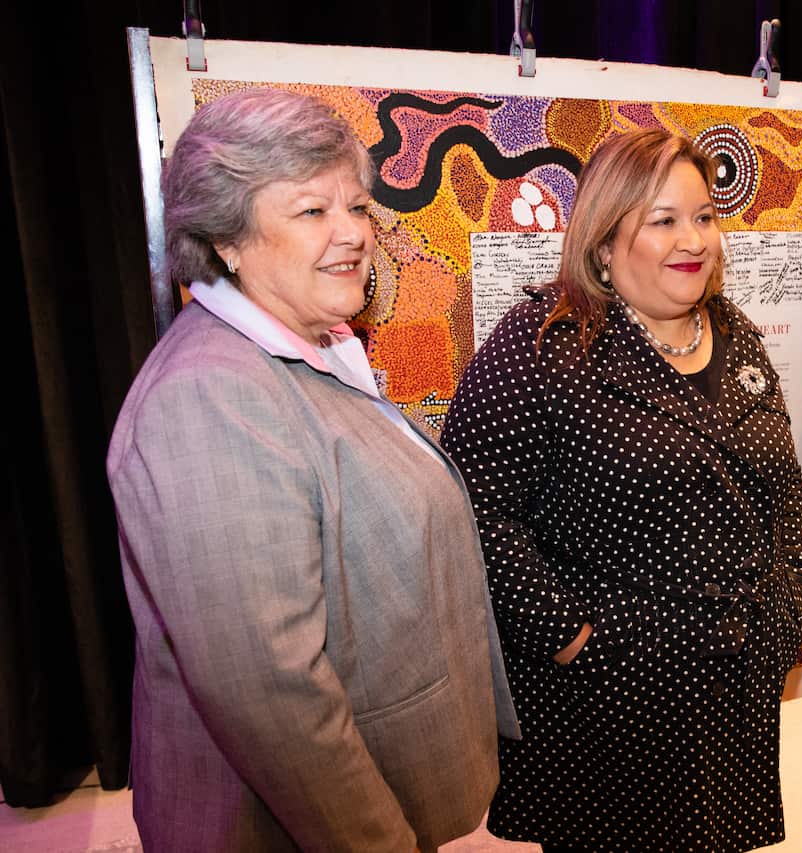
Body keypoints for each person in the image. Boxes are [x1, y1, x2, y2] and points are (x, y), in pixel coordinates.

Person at [107, 88, 518, 853]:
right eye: (311, 212)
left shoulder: (317, 344)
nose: (353, 234)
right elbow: (273, 697)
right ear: (227, 239)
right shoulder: (209, 397)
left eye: (357, 208)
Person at [440, 127, 802, 852]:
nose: (695, 239)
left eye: (704, 216)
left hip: (731, 684)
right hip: (609, 696)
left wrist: (792, 593)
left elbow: (779, 478)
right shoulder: (543, 344)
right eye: (664, 220)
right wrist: (570, 640)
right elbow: (474, 509)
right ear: (606, 241)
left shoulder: (733, 329)